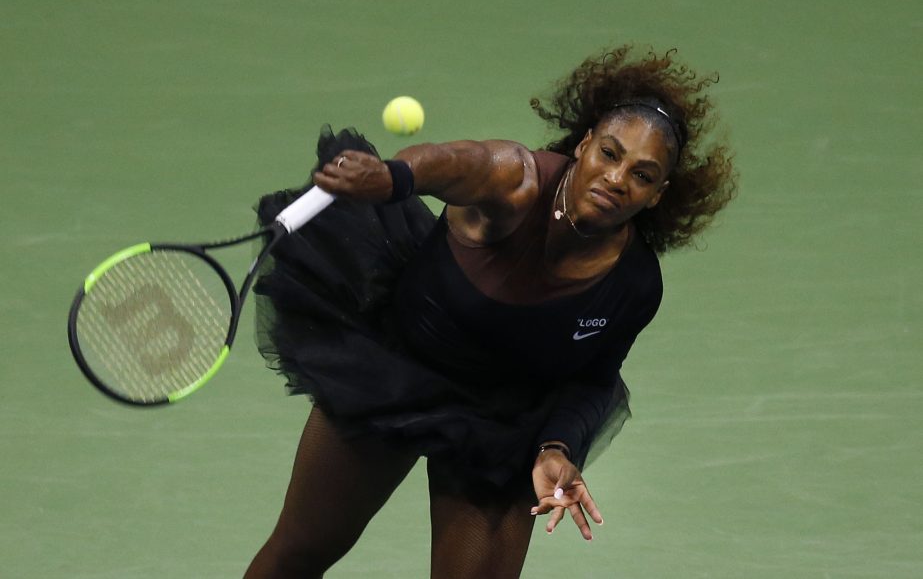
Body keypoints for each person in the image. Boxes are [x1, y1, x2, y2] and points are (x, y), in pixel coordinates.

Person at [244, 44, 736, 578]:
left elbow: (594, 380)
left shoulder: (634, 283)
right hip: (398, 369)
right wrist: (393, 179)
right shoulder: (517, 181)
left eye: (642, 175)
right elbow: (458, 163)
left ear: (659, 194)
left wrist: (557, 446)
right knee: (301, 551)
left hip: (499, 419)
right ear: (585, 144)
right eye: (611, 154)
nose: (617, 179)